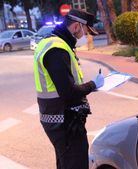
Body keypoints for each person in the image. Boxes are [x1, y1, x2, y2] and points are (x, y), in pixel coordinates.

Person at [33, 9, 104, 169]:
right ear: (77, 26)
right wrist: (93, 85)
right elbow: (68, 92)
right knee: (75, 163)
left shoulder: (54, 43)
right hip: (64, 122)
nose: (87, 36)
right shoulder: (56, 49)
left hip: (59, 118)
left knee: (66, 163)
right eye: (86, 31)